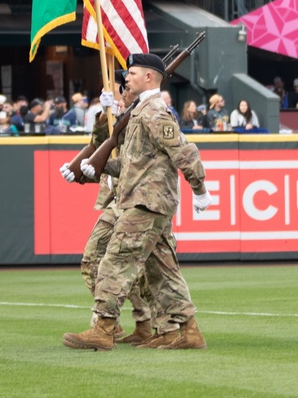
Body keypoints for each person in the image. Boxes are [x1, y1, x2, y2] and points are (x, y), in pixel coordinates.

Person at [64, 53, 210, 351]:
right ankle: (185, 330)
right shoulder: (141, 111)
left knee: (115, 261)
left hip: (146, 203)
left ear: (149, 77)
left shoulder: (154, 111)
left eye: (132, 73)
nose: (125, 78)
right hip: (144, 199)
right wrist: (95, 166)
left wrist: (200, 189)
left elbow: (185, 151)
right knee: (161, 271)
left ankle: (104, 328)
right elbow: (131, 164)